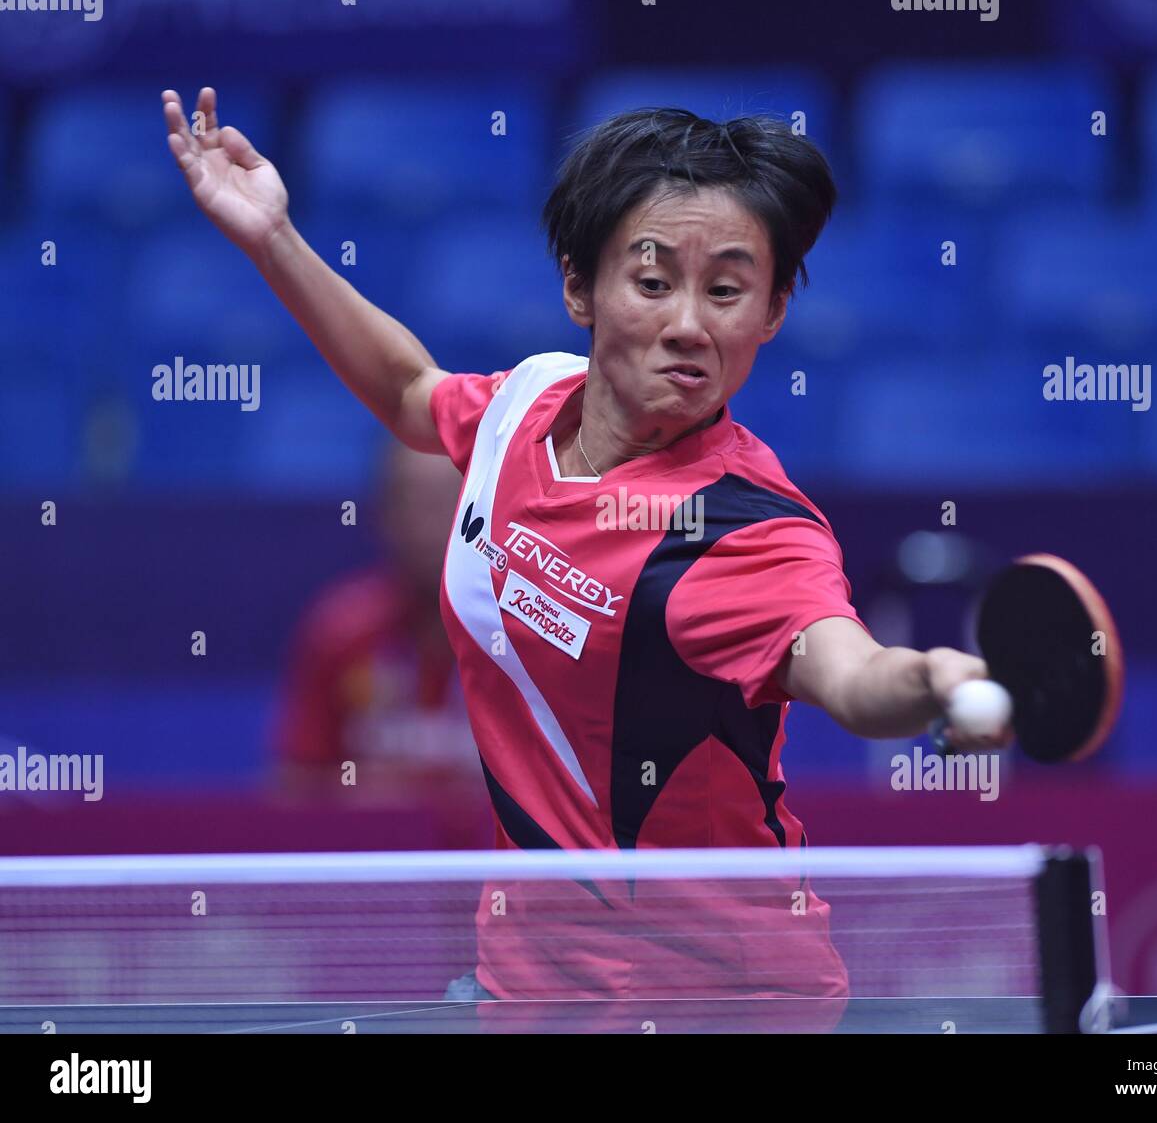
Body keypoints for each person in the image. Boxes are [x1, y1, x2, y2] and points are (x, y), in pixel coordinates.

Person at [162, 89, 1011, 1027]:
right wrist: (272, 236)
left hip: (718, 1003)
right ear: (580, 286)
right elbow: (410, 389)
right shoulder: (527, 405)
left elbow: (849, 671)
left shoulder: (748, 531)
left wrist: (930, 679)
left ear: (770, 312)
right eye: (654, 283)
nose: (690, 322)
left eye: (727, 290)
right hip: (534, 988)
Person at [272, 442, 488, 830]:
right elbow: (294, 790)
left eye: (445, 501)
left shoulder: (523, 638)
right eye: (410, 501)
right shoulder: (340, 633)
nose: (426, 524)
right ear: (384, 514)